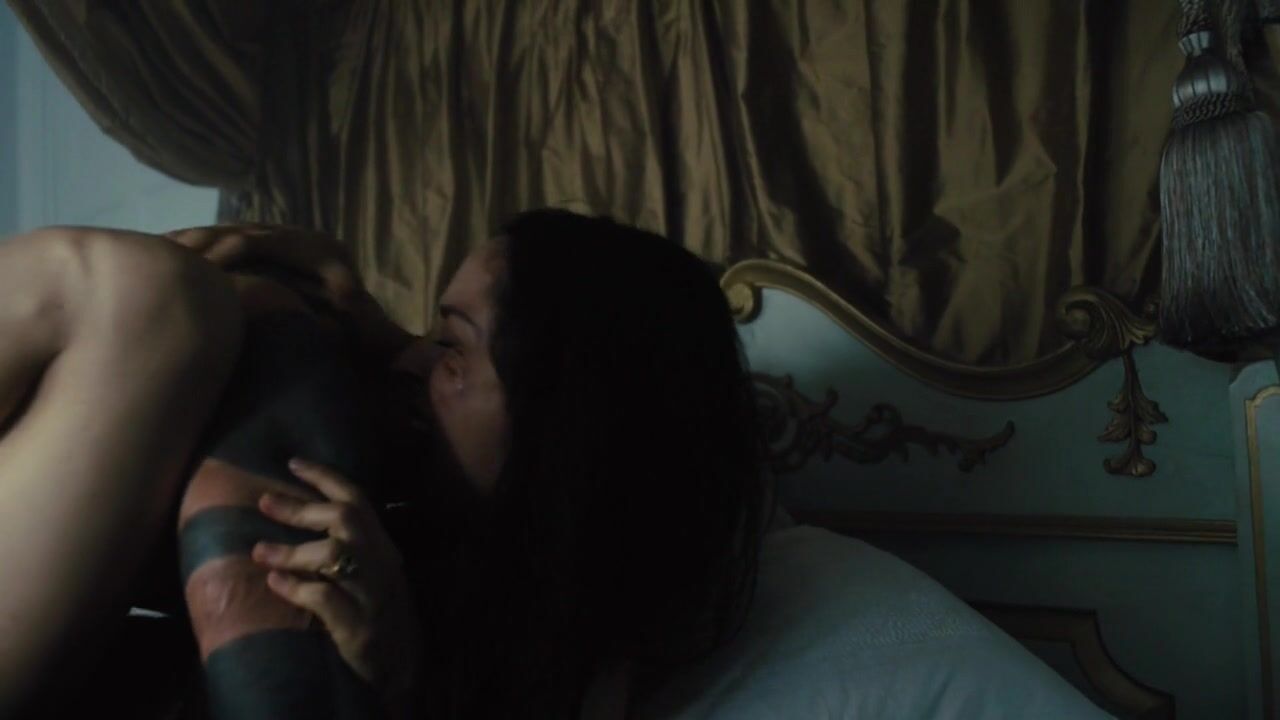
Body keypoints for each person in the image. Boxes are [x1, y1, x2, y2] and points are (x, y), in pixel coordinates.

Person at [0, 209, 768, 718]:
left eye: (452, 349)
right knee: (190, 300)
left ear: (564, 428)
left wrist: (397, 685)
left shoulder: (570, 662)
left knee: (137, 290)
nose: (409, 362)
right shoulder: (420, 500)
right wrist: (351, 312)